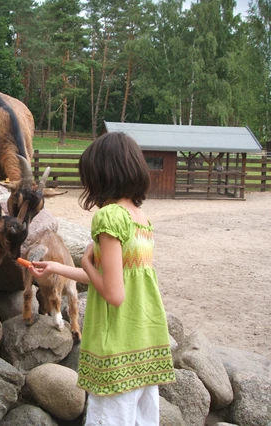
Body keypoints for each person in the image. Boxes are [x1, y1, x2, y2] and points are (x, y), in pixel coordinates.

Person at [28, 132, 175, 425]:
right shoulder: (140, 218)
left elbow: (113, 293)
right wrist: (56, 269)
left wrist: (84, 259)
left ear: (102, 175)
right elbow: (116, 277)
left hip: (116, 344)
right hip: (143, 342)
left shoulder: (109, 218)